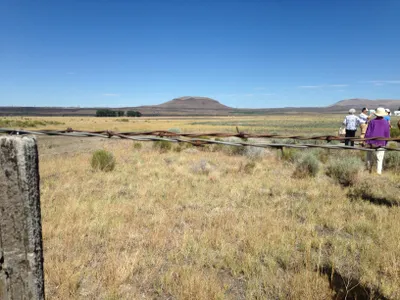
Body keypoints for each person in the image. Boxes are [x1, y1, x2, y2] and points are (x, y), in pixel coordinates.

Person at [364, 107, 390, 175]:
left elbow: (368, 132)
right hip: (381, 142)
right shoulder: (385, 122)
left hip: (371, 142)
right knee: (379, 158)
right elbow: (387, 133)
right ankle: (378, 172)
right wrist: (386, 141)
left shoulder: (372, 121)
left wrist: (366, 141)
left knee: (369, 157)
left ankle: (369, 171)